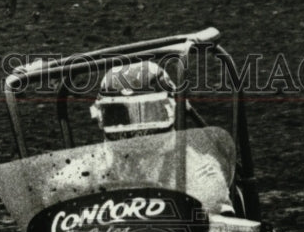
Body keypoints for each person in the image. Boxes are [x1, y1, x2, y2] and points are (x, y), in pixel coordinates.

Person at [66, 60, 234, 214]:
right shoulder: (83, 173)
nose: (133, 131)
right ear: (102, 116)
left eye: (148, 112)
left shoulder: (199, 177)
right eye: (120, 115)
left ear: (170, 109)